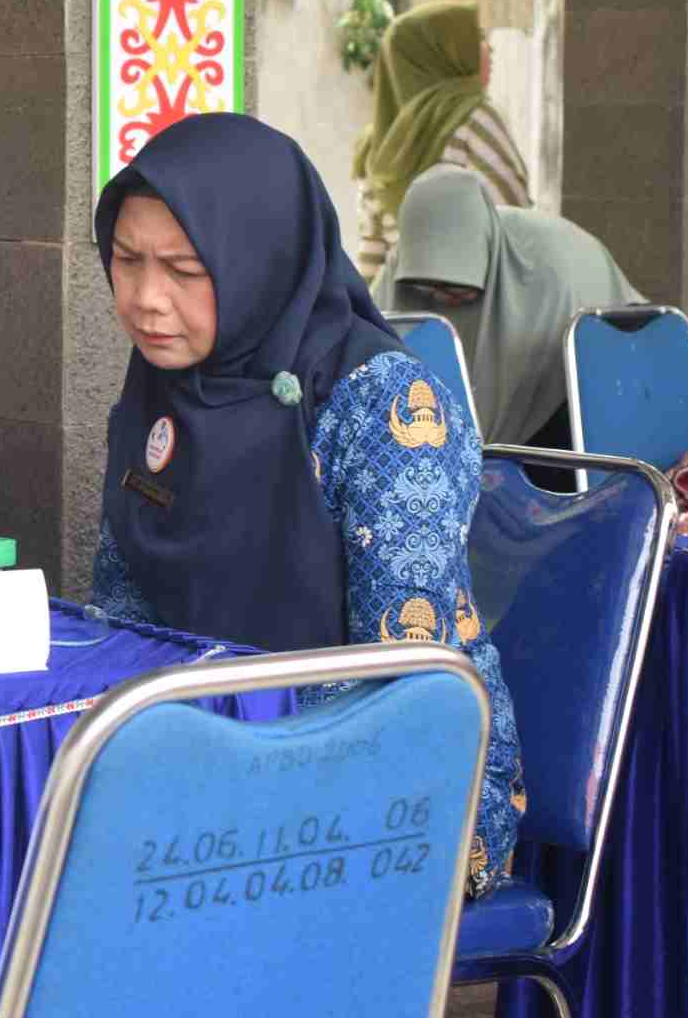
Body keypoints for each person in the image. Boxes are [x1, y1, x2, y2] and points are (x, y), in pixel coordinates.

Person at [85, 114, 524, 897]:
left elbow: (408, 674)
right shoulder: (164, 386)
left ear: (260, 260)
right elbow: (124, 615)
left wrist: (240, 774)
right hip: (204, 750)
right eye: (125, 261)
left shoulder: (381, 407)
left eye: (185, 271)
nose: (146, 299)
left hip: (393, 784)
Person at [372, 165, 641, 450]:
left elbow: (507, 406)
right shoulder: (401, 265)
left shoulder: (545, 278)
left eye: (455, 286)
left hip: (569, 390)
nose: (441, 299)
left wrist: (470, 457)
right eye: (426, 287)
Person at [352, 0, 530, 281]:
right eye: (478, 38)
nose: (489, 48)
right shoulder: (473, 118)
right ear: (439, 55)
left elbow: (372, 258)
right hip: (476, 309)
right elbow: (517, 226)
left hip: (404, 317)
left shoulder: (375, 145)